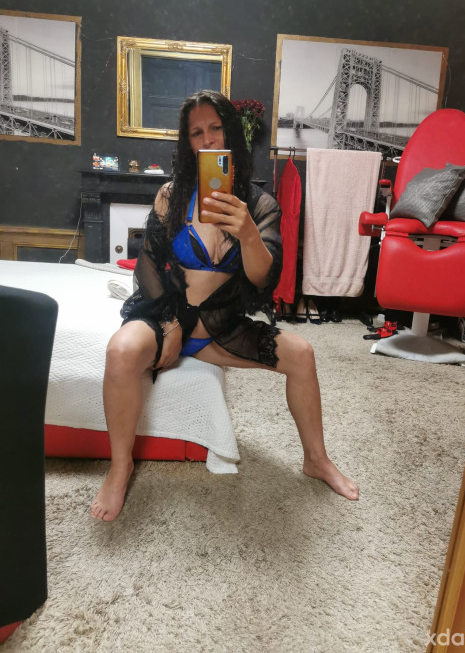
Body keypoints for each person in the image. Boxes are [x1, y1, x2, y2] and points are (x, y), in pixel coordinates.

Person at [90, 90, 358, 522]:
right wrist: (170, 323)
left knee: (303, 355)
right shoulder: (172, 195)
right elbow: (148, 265)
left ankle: (316, 459)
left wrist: (248, 233)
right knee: (120, 351)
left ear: (231, 133)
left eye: (215, 128)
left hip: (221, 328)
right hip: (168, 318)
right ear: (187, 143)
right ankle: (120, 468)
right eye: (197, 133)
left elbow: (264, 279)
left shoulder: (259, 205)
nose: (208, 140)